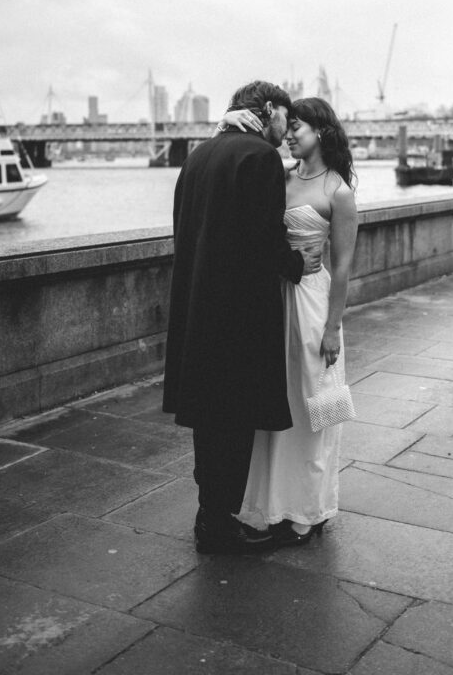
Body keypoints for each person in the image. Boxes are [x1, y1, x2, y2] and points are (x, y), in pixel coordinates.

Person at [162, 80, 323, 555]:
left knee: (208, 422)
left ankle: (207, 515)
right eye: (284, 118)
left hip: (197, 308)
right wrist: (297, 265)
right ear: (268, 110)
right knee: (234, 421)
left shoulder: (198, 156)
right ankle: (219, 526)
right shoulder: (259, 158)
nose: (285, 130)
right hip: (237, 315)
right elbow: (264, 238)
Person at [222, 96, 358, 545]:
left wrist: (333, 327)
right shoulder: (278, 178)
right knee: (278, 406)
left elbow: (342, 267)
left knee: (314, 408)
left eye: (296, 127)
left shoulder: (338, 192)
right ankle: (275, 504)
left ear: (320, 131)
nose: (289, 135)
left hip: (315, 305)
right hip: (277, 300)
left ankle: (311, 510)